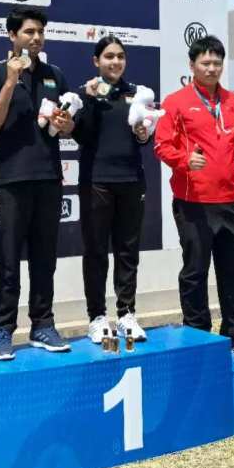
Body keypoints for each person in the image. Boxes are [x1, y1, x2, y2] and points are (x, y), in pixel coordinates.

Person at [154, 35, 234, 356]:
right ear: (192, 65)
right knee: (195, 271)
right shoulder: (176, 101)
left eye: (217, 63)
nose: (212, 68)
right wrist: (184, 160)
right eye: (205, 63)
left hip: (231, 201)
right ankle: (197, 335)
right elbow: (162, 145)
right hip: (194, 202)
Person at [0, 6, 75, 360]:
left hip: (49, 179)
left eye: (40, 32)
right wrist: (10, 81)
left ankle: (43, 324)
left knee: (44, 258)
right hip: (12, 181)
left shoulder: (54, 75)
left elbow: (69, 127)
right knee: (8, 259)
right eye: (29, 32)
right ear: (12, 35)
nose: (35, 38)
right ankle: (3, 329)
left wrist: (65, 124)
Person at [73, 36, 150, 344]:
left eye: (120, 56)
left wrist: (143, 134)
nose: (115, 61)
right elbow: (81, 135)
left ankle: (127, 314)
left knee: (128, 251)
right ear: (96, 61)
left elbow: (143, 137)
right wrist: (91, 100)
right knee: (95, 251)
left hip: (131, 180)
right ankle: (97, 317)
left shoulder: (137, 94)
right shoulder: (85, 93)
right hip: (97, 181)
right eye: (108, 56)